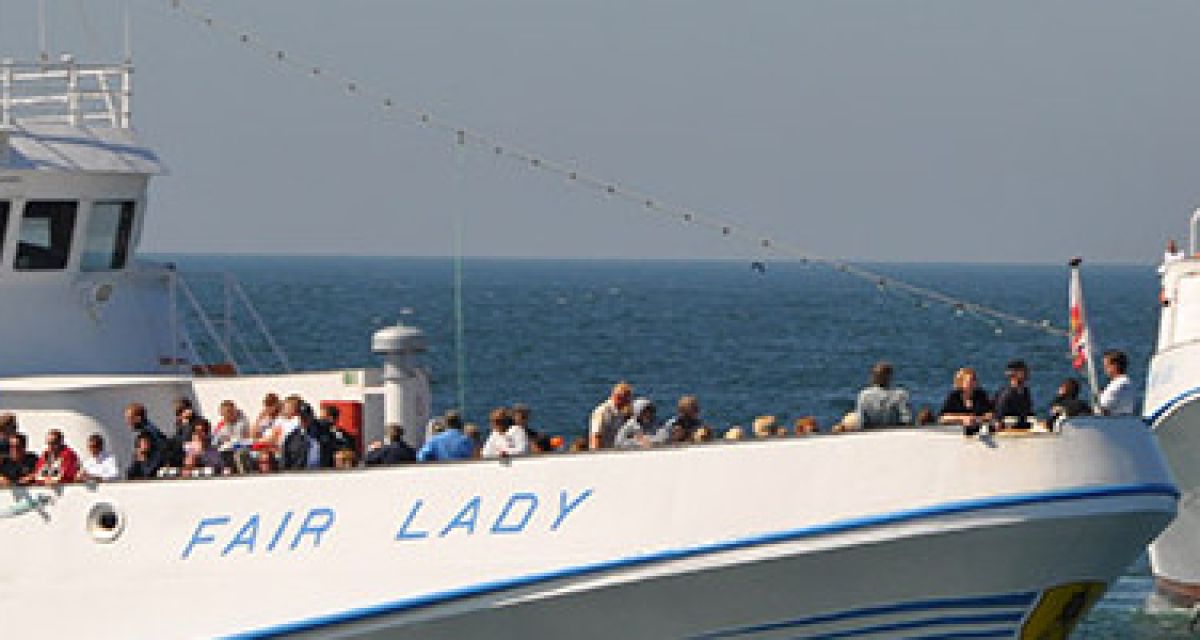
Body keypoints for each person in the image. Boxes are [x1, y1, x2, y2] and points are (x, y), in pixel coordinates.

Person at [855, 361, 913, 428]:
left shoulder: (864, 395)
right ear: (889, 376)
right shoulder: (901, 394)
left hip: (872, 433)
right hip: (895, 433)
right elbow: (906, 419)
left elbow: (861, 422)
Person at [589, 382, 633, 450]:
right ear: (618, 397)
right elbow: (596, 437)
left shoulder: (624, 412)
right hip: (604, 453)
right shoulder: (602, 412)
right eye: (627, 399)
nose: (629, 402)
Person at [993, 360, 1033, 429]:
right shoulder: (1006, 394)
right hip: (1009, 431)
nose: (1027, 373)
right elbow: (998, 418)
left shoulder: (1026, 392)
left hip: (1023, 429)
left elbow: (1028, 414)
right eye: (1024, 371)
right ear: (1014, 374)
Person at [1098, 350, 1136, 416]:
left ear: (1114, 366)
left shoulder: (1119, 384)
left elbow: (1104, 407)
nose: (1104, 369)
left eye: (1106, 366)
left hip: (1113, 422)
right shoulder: (1125, 382)